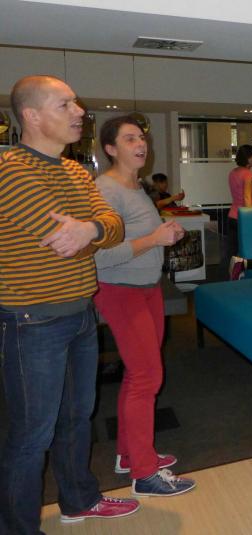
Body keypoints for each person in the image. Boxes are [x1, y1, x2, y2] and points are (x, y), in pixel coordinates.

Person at [0, 75, 135, 533]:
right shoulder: (10, 170)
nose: (80, 112)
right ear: (32, 116)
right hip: (31, 321)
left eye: (76, 103)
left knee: (78, 417)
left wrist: (91, 229)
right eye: (65, 105)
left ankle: (79, 500)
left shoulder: (76, 171)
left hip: (80, 314)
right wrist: (88, 230)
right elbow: (61, 239)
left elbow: (112, 225)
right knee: (31, 435)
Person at [93, 115, 196, 497]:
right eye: (129, 139)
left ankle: (129, 454)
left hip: (146, 288)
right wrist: (155, 239)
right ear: (110, 148)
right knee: (147, 377)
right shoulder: (106, 190)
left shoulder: (136, 187)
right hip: (122, 291)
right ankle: (144, 473)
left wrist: (166, 232)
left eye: (141, 137)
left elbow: (141, 234)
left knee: (139, 375)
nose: (141, 144)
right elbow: (100, 257)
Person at [227, 144, 252, 270]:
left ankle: (228, 276)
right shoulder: (249, 174)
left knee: (232, 252)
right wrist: (251, 219)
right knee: (246, 251)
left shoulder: (233, 172)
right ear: (248, 158)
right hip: (244, 218)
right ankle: (241, 274)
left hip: (232, 215)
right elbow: (247, 198)